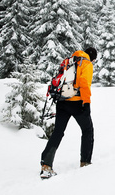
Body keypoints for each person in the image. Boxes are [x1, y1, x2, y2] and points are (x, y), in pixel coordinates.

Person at [40, 47, 97, 179]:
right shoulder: (86, 64)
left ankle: (46, 165)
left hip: (62, 101)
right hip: (76, 103)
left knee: (58, 132)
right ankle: (85, 162)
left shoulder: (70, 60)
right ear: (92, 57)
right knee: (87, 130)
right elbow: (84, 83)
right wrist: (86, 103)